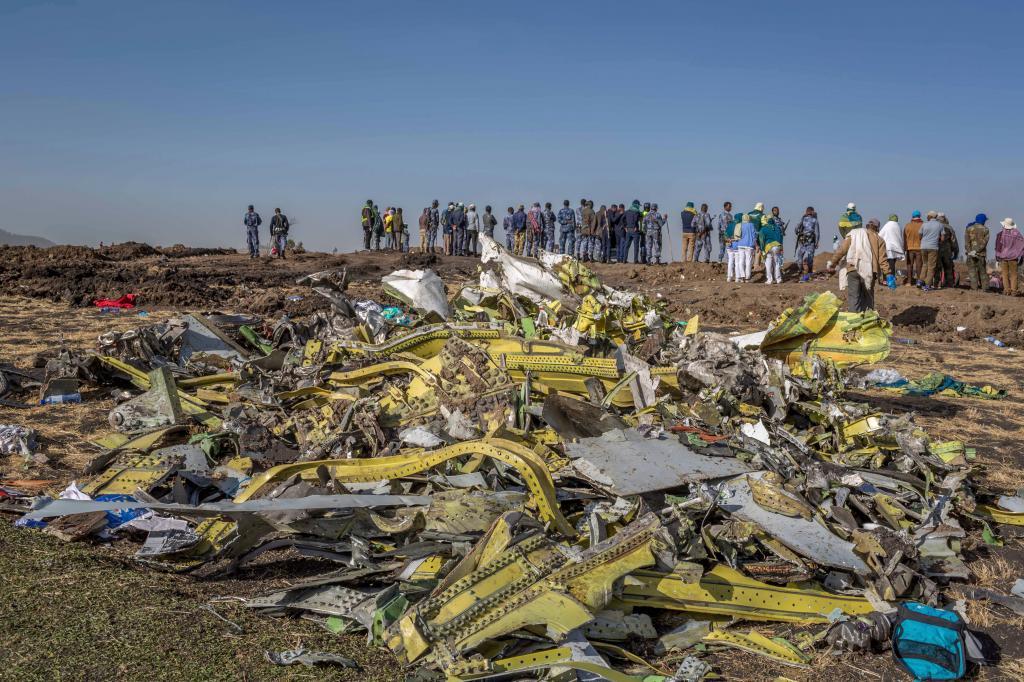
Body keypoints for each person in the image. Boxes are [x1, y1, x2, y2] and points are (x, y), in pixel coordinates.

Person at [831, 218, 895, 312]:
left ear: (867, 226)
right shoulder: (879, 240)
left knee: (854, 297)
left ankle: (854, 318)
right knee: (868, 299)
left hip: (853, 269)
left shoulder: (854, 234)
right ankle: (867, 319)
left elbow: (842, 250)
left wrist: (833, 263)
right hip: (869, 272)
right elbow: (883, 260)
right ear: (877, 228)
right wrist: (888, 274)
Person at [995, 217, 1024, 296]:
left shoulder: (1001, 234)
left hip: (1003, 256)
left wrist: (997, 257)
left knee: (1005, 274)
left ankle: (1006, 290)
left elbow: (998, 246)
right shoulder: (1017, 234)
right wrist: (1022, 256)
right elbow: (1022, 245)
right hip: (1014, 257)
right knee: (1014, 274)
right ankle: (1014, 291)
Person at [964, 214, 990, 291]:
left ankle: (974, 288)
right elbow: (984, 243)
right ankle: (985, 289)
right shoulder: (986, 229)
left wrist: (970, 252)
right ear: (983, 220)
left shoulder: (969, 228)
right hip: (981, 254)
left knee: (972, 272)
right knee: (982, 272)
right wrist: (976, 251)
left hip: (970, 254)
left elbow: (967, 242)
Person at [917, 211, 943, 290]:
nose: (926, 217)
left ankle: (920, 281)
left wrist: (924, 240)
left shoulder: (924, 224)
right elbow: (942, 238)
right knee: (931, 267)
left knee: (925, 264)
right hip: (933, 247)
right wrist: (938, 242)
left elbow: (919, 235)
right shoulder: (940, 225)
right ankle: (927, 284)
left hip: (923, 247)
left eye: (927, 216)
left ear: (930, 216)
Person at [794, 207, 820, 280]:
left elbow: (796, 229)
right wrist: (817, 242)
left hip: (802, 241)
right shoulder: (815, 220)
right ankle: (809, 272)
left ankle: (800, 270)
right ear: (812, 212)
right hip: (810, 241)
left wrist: (798, 233)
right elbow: (817, 233)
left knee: (800, 256)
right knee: (810, 257)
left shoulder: (803, 219)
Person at [758, 214, 784, 284]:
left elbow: (761, 240)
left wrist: (762, 249)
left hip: (768, 247)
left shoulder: (763, 229)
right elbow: (781, 238)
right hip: (777, 247)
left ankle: (769, 280)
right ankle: (778, 279)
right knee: (777, 263)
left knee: (768, 264)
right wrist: (781, 247)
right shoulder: (778, 228)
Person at [878, 214, 905, 280]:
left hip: (888, 247)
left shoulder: (887, 225)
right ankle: (891, 277)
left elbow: (880, 235)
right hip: (896, 247)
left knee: (887, 264)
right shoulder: (898, 226)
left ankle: (886, 279)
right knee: (892, 263)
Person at [935, 213, 958, 288]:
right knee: (948, 267)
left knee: (937, 267)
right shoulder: (949, 227)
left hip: (937, 249)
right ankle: (949, 284)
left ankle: (936, 283)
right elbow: (954, 241)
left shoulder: (934, 227)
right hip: (947, 250)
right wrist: (956, 252)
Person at [903, 210, 924, 284]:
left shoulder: (907, 225)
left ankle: (909, 282)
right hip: (920, 248)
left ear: (912, 217)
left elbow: (904, 238)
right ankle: (919, 281)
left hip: (909, 248)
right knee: (919, 265)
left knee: (909, 265)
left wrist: (904, 249)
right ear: (919, 216)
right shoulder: (923, 225)